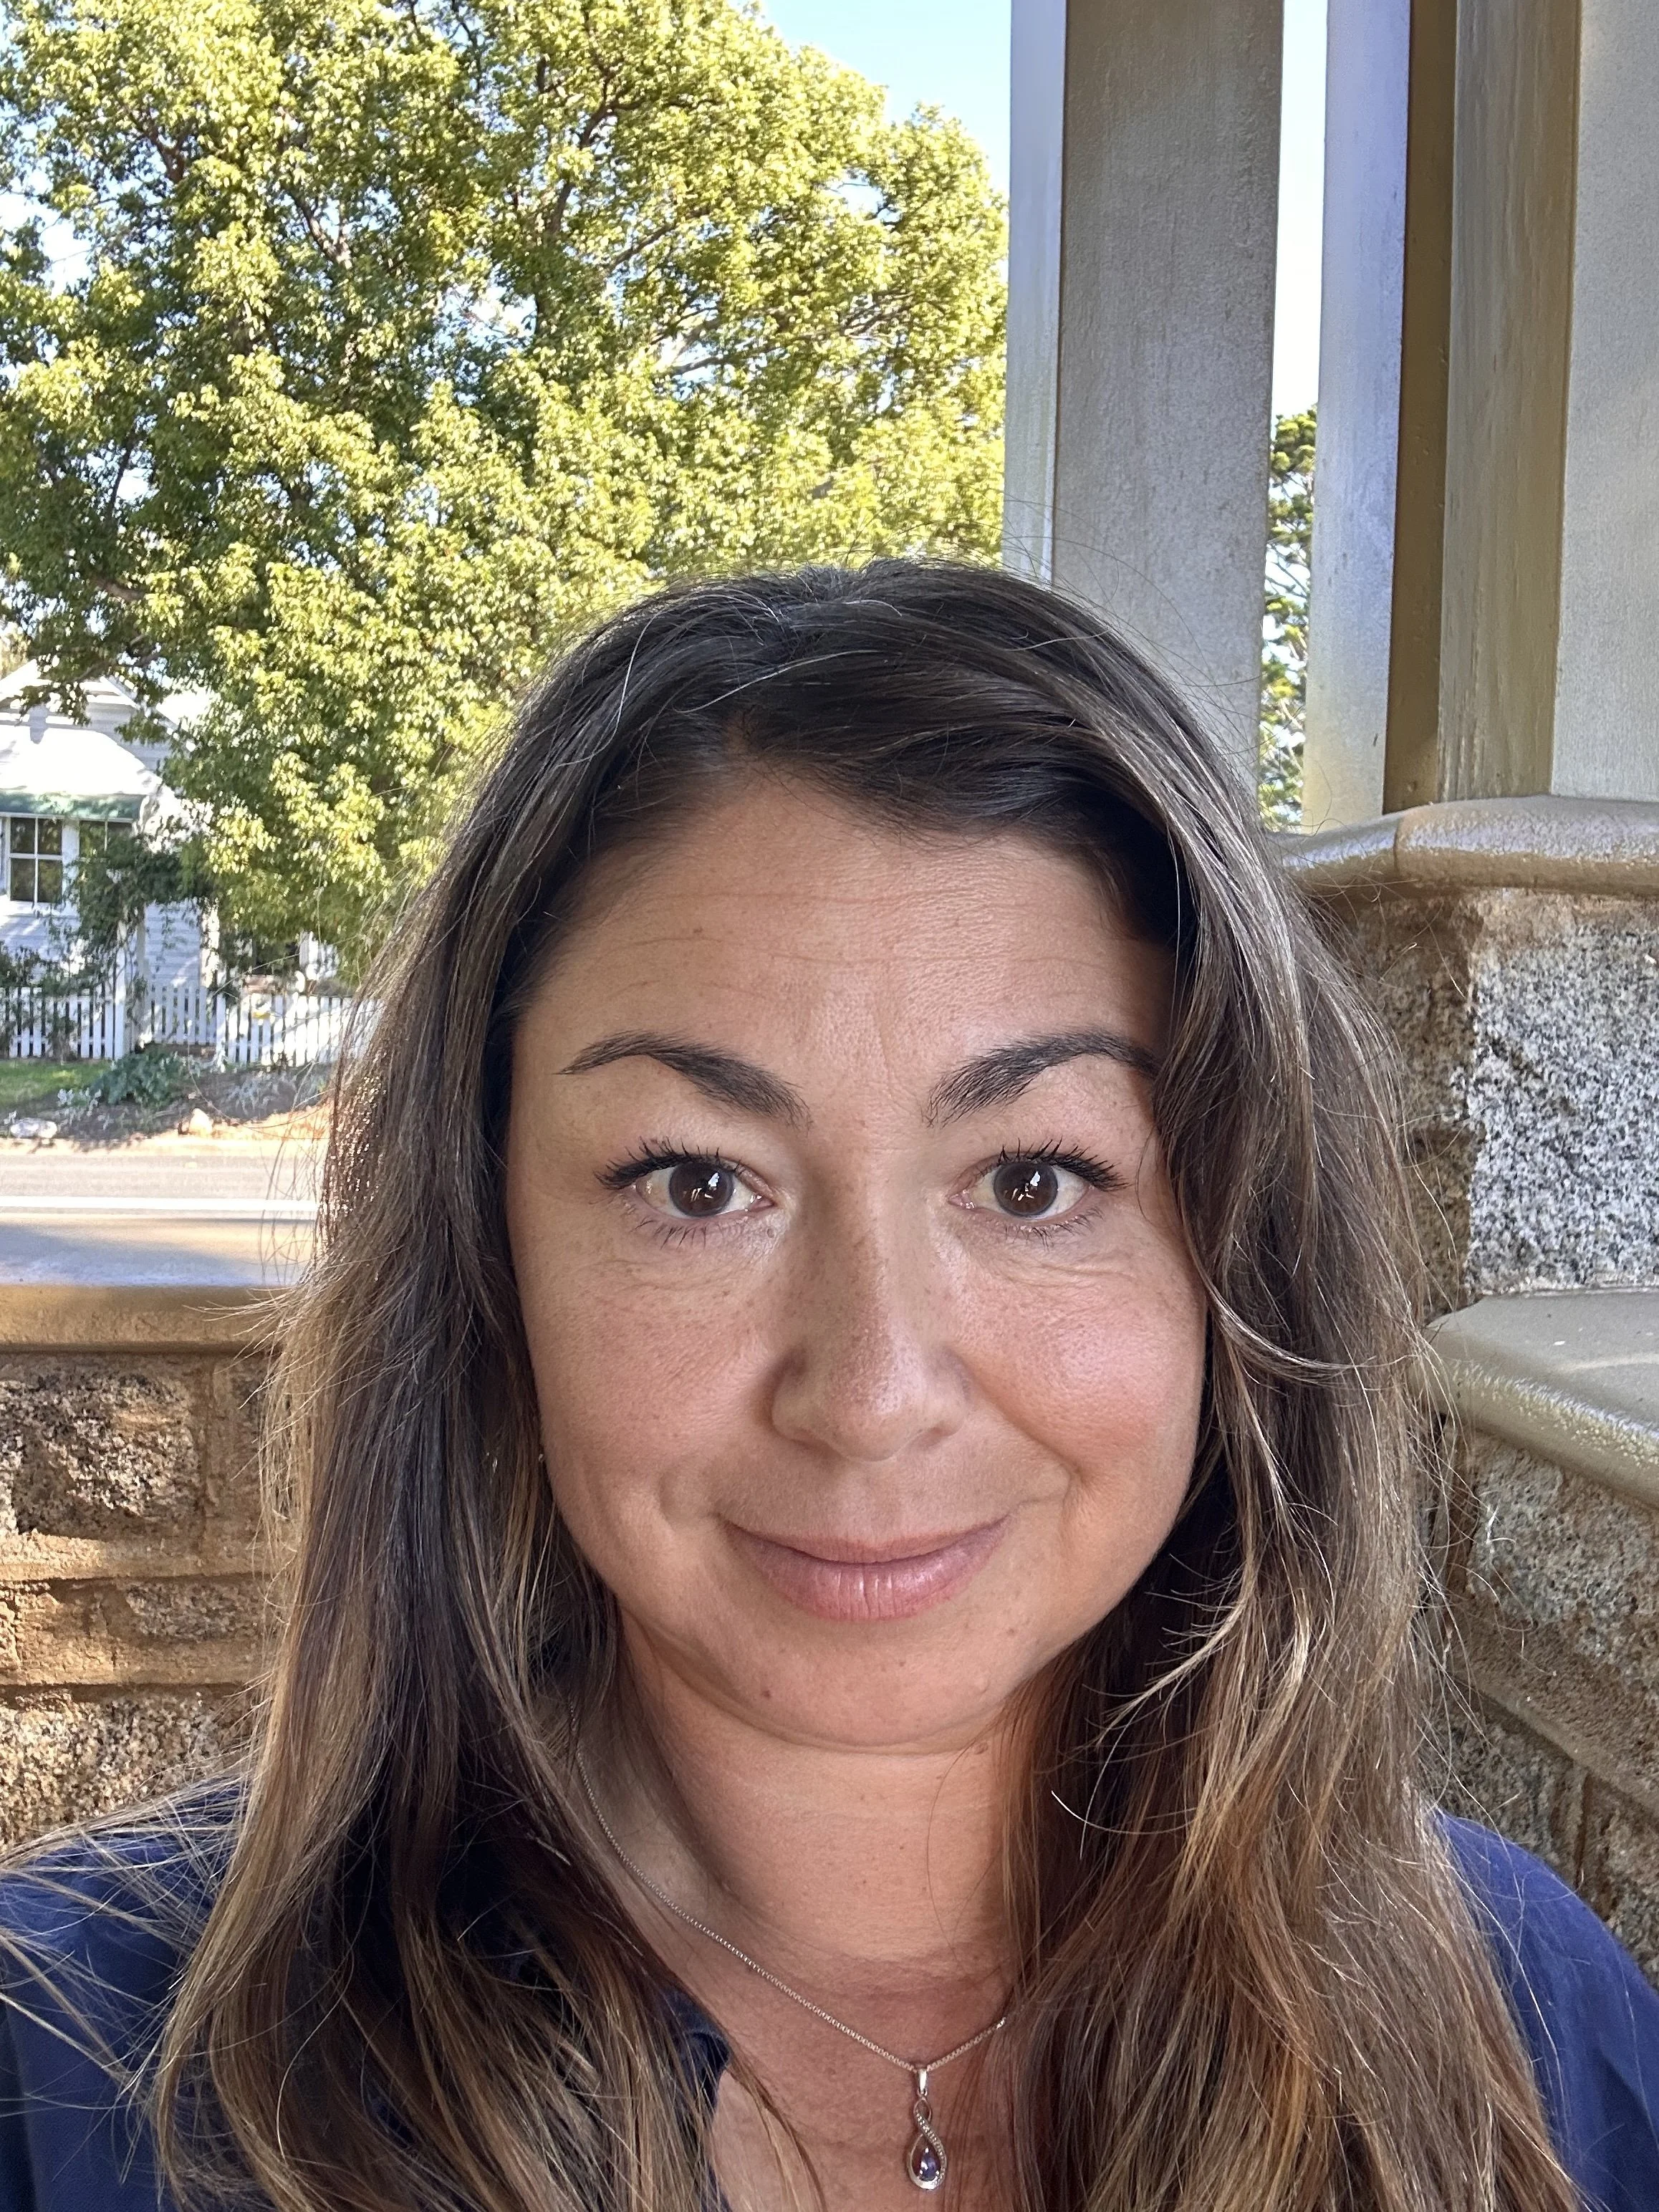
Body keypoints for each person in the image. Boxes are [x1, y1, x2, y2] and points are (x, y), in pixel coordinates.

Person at [1, 561, 1655, 2212]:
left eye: (1032, 1180)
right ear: (487, 1254)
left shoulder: (1530, 2029)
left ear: (1241, 1257)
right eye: (697, 1182)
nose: (870, 1393)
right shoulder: (69, 2071)